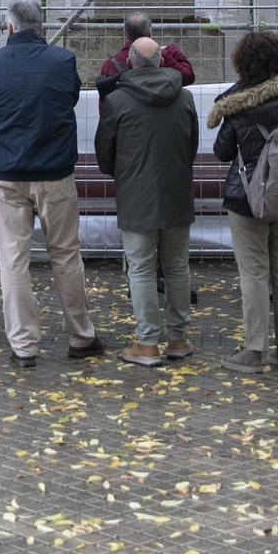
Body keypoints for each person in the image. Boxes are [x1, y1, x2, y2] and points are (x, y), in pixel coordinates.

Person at [0, 0, 105, 367]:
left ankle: (23, 345)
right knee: (65, 254)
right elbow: (66, 99)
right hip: (53, 171)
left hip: (7, 173)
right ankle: (81, 336)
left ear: (10, 27)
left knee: (12, 258)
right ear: (41, 26)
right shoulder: (62, 61)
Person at [95, 37, 201, 366]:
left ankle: (147, 343)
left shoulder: (116, 101)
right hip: (176, 193)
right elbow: (191, 146)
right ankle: (178, 339)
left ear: (129, 63)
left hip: (136, 195)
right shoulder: (183, 98)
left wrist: (124, 173)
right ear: (160, 62)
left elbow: (104, 155)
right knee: (177, 267)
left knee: (140, 269)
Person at [212, 31, 278, 373]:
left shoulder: (236, 102)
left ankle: (254, 350)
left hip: (248, 196)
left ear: (243, 63)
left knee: (253, 272)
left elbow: (223, 151)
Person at [96, 12, 197, 95]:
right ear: (150, 31)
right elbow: (188, 77)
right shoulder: (164, 55)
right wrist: (167, 53)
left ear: (126, 33)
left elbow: (105, 105)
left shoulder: (110, 65)